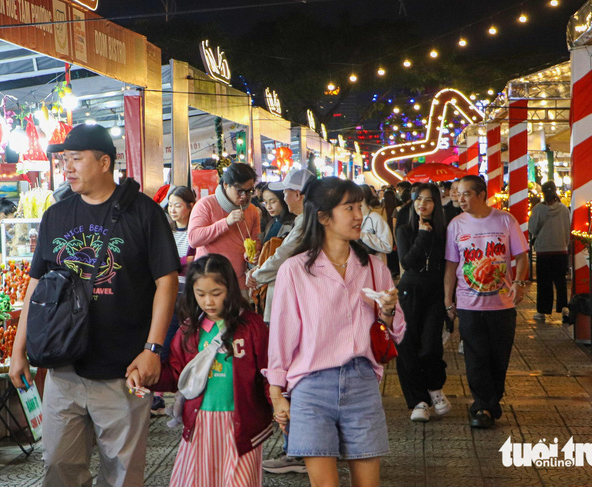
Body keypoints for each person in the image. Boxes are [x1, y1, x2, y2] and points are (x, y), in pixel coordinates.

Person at [9, 123, 180, 487]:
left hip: (123, 369)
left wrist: (153, 348)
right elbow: (36, 286)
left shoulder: (144, 213)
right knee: (58, 467)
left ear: (104, 162)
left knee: (122, 473)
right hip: (63, 366)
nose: (66, 168)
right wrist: (18, 349)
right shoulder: (56, 215)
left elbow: (167, 281)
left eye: (76, 159)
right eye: (64, 160)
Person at [265, 177, 405, 487]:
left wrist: (388, 310)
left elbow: (396, 332)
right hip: (311, 389)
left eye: (360, 207)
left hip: (362, 383)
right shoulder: (296, 269)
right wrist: (277, 393)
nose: (359, 215)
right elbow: (283, 337)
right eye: (350, 208)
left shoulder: (373, 267)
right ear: (324, 217)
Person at [140, 254, 273, 486]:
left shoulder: (252, 327)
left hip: (241, 426)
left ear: (230, 289)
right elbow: (175, 375)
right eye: (200, 294)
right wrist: (146, 376)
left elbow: (268, 371)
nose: (208, 302)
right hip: (200, 423)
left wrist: (279, 402)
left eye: (216, 293)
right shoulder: (189, 330)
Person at [244, 168, 315, 475]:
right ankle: (299, 448)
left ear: (298, 195)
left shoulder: (304, 225)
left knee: (287, 379)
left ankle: (297, 451)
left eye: (285, 192)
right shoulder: (307, 222)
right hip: (296, 310)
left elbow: (284, 256)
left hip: (289, 311)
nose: (283, 197)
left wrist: (255, 276)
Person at [444, 175, 529, 429]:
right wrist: (448, 300)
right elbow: (451, 265)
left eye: (466, 193)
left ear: (482, 194)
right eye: (457, 194)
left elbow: (521, 256)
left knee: (498, 357)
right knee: (475, 356)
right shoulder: (456, 225)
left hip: (502, 303)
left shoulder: (505, 220)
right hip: (469, 303)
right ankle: (481, 406)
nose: (460, 199)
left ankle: (491, 402)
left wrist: (519, 283)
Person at [395, 183, 451, 422]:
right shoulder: (404, 228)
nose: (422, 204)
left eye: (428, 200)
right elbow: (407, 262)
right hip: (409, 292)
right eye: (418, 199)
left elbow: (449, 266)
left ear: (436, 203)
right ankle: (418, 401)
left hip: (435, 293)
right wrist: (422, 234)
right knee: (407, 348)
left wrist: (451, 299)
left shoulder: (445, 230)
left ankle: (435, 388)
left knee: (430, 347)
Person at [152, 186, 197, 416]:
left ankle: (186, 391)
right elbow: (172, 261)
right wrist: (182, 260)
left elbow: (194, 261)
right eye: (171, 205)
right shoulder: (167, 231)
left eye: (178, 204)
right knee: (164, 342)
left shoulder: (195, 233)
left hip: (189, 296)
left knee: (188, 343)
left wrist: (179, 261)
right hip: (169, 294)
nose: (173, 209)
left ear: (191, 207)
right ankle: (158, 395)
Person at [188, 163, 261, 299]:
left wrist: (252, 254)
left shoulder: (252, 211)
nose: (244, 196)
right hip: (209, 282)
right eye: (240, 191)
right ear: (226, 185)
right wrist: (226, 222)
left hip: (239, 283)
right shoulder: (206, 205)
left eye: (249, 191)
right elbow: (193, 239)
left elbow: (256, 240)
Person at [528, 181, 570, 321]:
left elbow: (533, 229)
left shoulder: (538, 209)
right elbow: (568, 230)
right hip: (561, 249)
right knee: (560, 281)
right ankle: (564, 308)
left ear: (544, 193)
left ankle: (543, 311)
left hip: (544, 250)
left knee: (544, 282)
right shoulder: (564, 209)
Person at [359, 184, 393, 261]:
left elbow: (388, 247)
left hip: (375, 267)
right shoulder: (353, 218)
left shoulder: (377, 219)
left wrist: (363, 236)